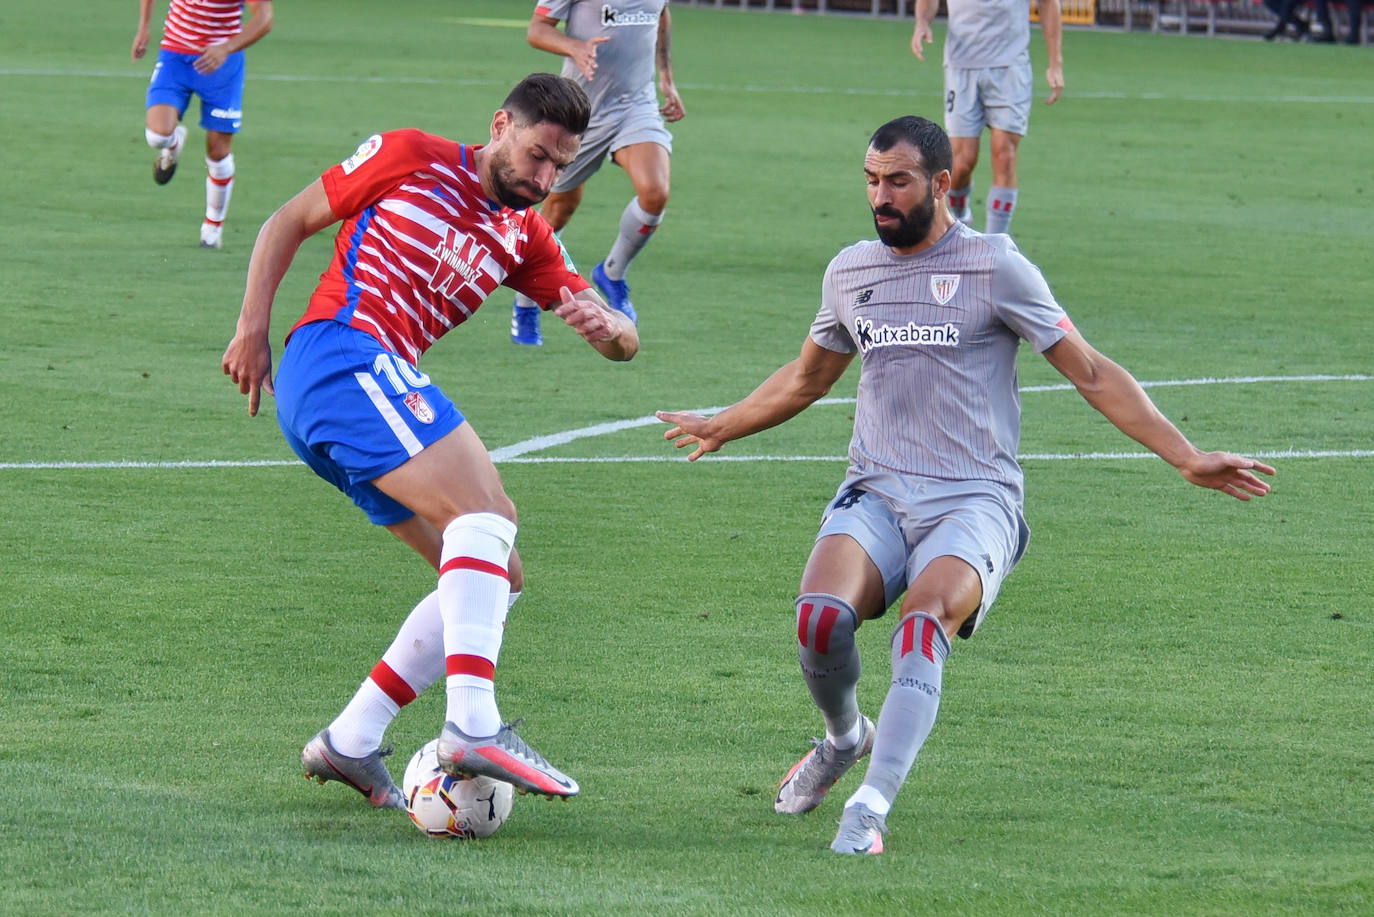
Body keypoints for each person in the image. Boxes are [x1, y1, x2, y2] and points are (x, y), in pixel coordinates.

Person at [657, 116, 1274, 855]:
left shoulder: (995, 266)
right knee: (820, 619)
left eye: (898, 181)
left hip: (974, 499)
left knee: (922, 627)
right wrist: (725, 422)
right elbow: (806, 378)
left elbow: (1091, 369)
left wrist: (1185, 454)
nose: (879, 197)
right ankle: (844, 736)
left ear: (942, 184)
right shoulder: (851, 270)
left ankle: (870, 806)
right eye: (871, 180)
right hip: (877, 489)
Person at [221, 73, 638, 807]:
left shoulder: (525, 236)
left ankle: (351, 738)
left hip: (363, 392)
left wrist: (614, 330)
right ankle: (473, 723)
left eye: (559, 168)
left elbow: (617, 336)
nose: (544, 179)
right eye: (537, 156)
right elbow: (287, 220)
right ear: (501, 124)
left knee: (493, 574)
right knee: (486, 513)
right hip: (341, 355)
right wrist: (252, 329)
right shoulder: (412, 155)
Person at [510, 0, 685, 345]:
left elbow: (660, 14)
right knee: (556, 213)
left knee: (656, 193)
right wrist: (575, 47)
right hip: (579, 111)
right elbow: (537, 29)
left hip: (636, 105)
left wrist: (666, 77)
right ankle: (525, 302)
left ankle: (611, 273)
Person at [132, 0, 274, 249]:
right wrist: (144, 27)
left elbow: (265, 18)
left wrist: (226, 48)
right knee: (157, 135)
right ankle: (173, 143)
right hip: (175, 55)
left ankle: (212, 226)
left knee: (218, 153)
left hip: (221, 64)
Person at [911, 0, 1062, 236]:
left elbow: (1048, 3)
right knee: (961, 163)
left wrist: (1055, 62)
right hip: (961, 66)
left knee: (1005, 155)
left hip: (1010, 67)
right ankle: (960, 223)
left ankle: (995, 246)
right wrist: (922, 23)